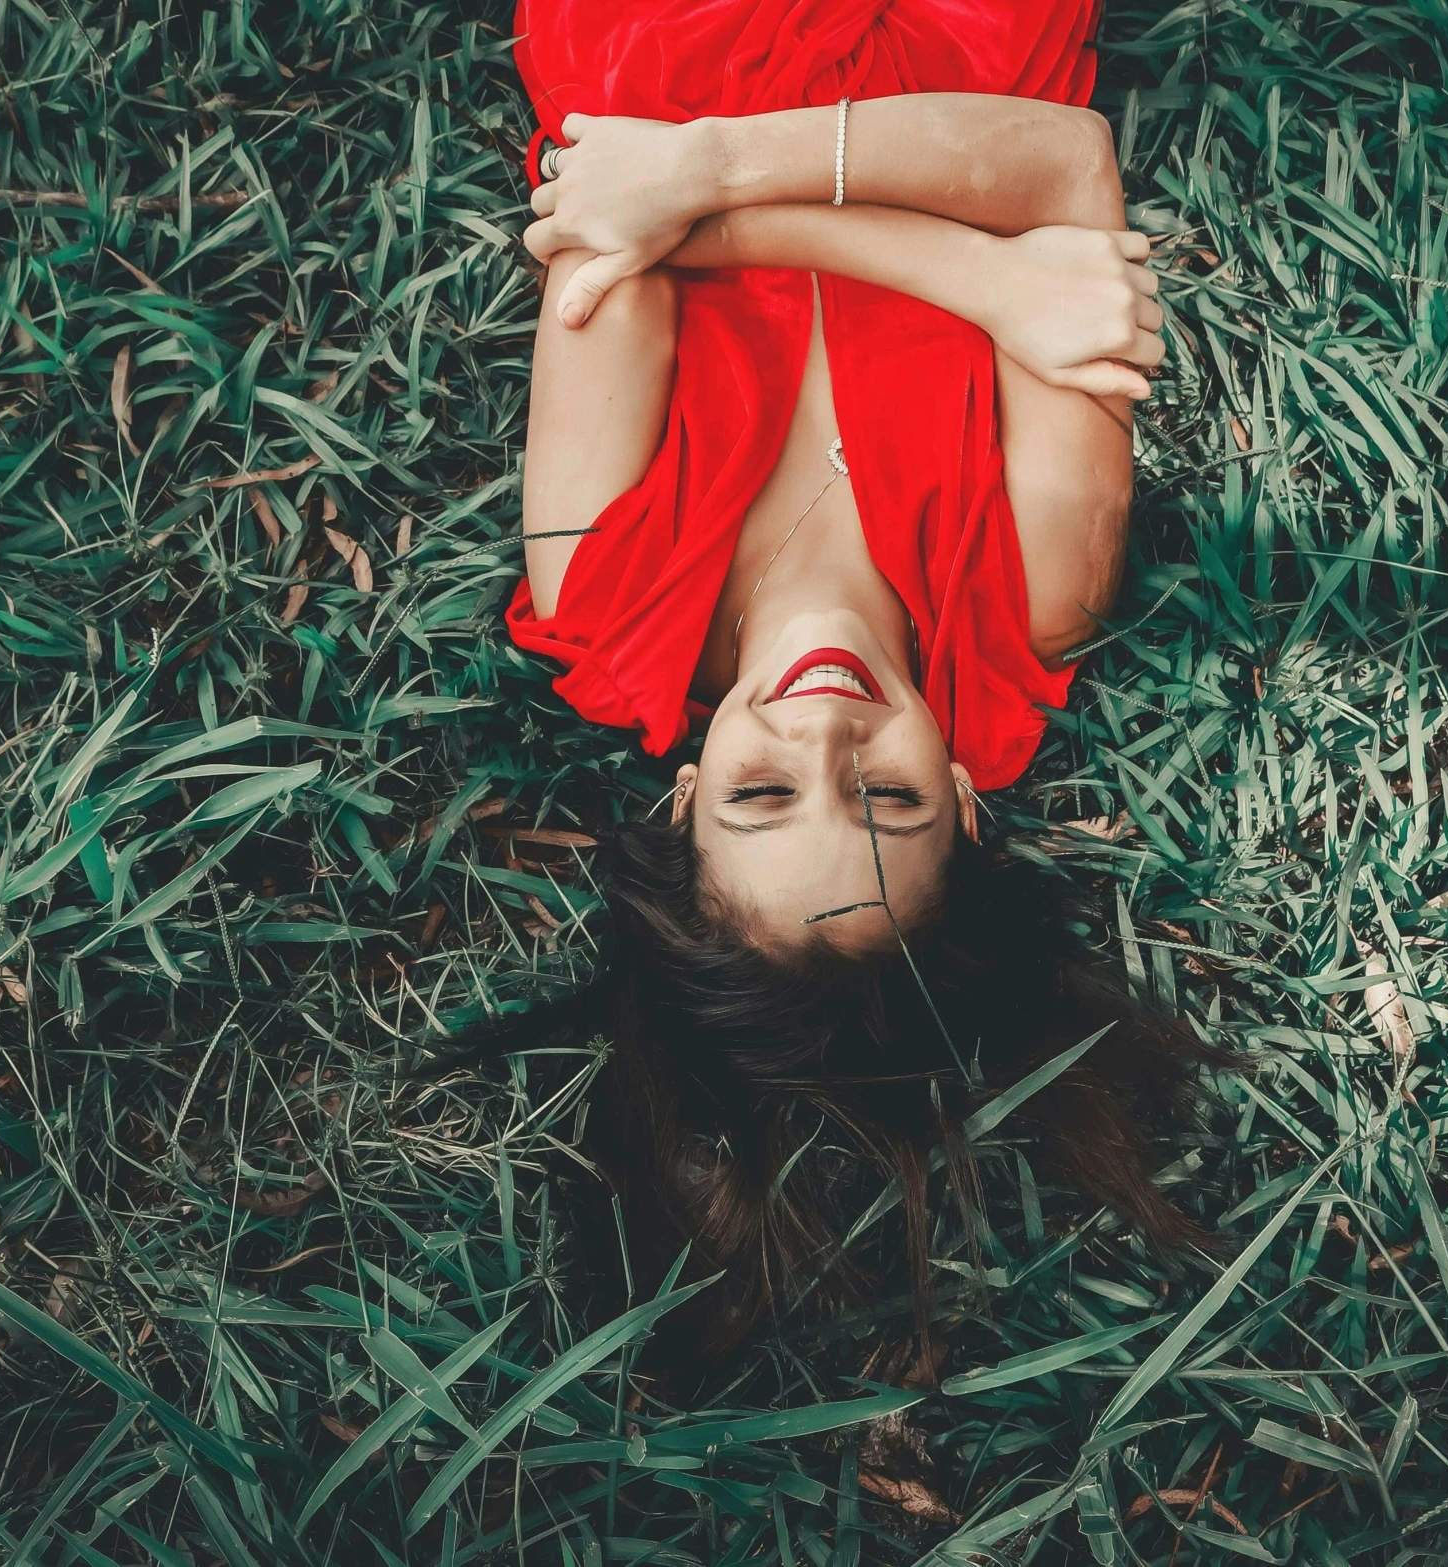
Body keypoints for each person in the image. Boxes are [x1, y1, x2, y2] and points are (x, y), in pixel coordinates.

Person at [502, 0, 1230, 1358]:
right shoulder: (1033, 599)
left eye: (763, 792)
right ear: (961, 796)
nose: (824, 725)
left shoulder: (600, 590)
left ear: (681, 804)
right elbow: (1063, 165)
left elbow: (607, 210)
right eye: (884, 796)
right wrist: (981, 273)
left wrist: (715, 181)